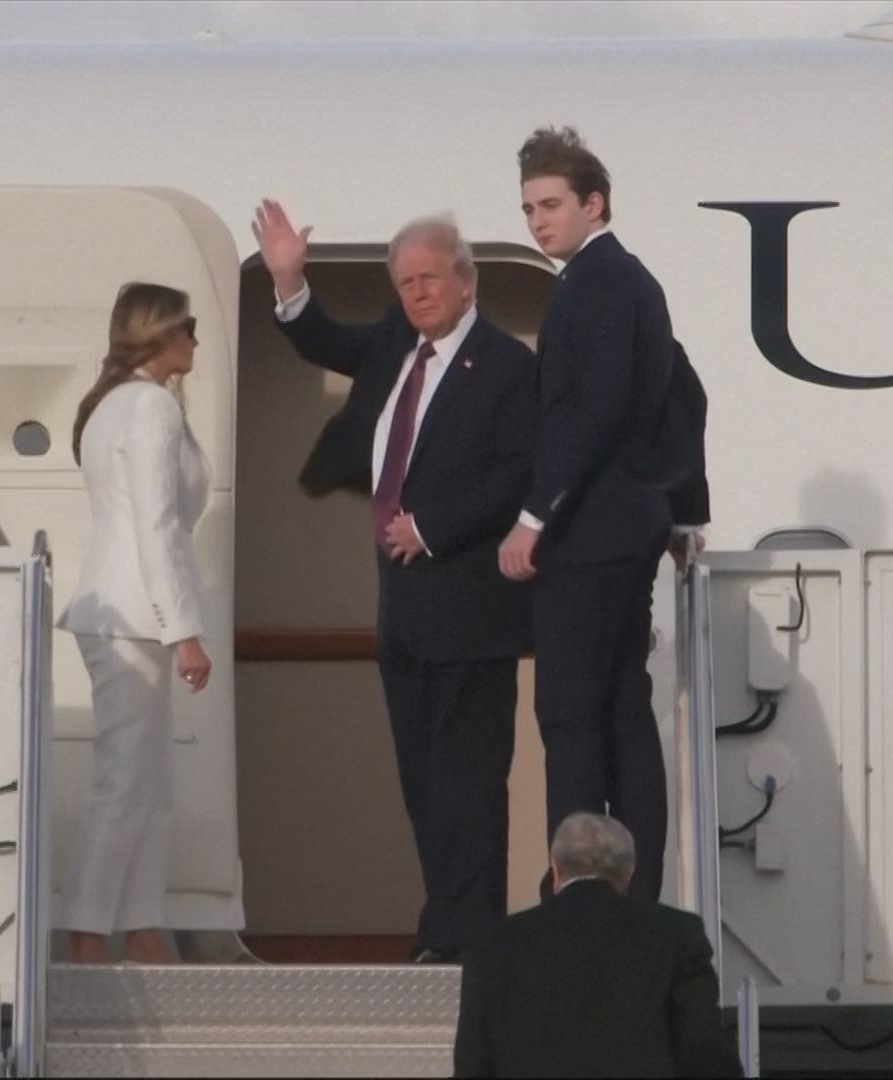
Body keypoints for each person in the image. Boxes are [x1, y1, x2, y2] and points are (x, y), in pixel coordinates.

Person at [253, 200, 537, 962]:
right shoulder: (394, 344)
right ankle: (445, 930)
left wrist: (432, 526)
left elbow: (520, 472)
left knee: (470, 784)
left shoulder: (508, 367)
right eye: (405, 282)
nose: (417, 293)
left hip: (470, 609)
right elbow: (323, 340)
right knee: (424, 786)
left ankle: (469, 940)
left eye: (430, 279)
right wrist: (288, 280)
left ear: (467, 282)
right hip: (403, 613)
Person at [498, 126, 688, 901]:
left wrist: (535, 517)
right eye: (528, 209)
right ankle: (632, 894)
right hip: (626, 530)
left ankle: (579, 894)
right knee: (620, 714)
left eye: (550, 205)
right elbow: (682, 398)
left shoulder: (597, 283)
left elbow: (592, 412)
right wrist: (679, 507)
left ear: (594, 204)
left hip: (590, 537)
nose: (537, 222)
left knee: (572, 716)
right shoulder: (631, 282)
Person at [55, 282, 213, 965]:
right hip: (134, 617)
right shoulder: (149, 407)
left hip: (122, 613)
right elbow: (157, 524)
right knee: (126, 781)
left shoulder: (117, 403)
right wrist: (183, 628)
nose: (196, 340)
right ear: (161, 333)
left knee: (150, 782)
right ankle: (87, 934)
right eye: (189, 327)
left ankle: (142, 925)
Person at [452, 812, 741, 1079]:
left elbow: (472, 1063)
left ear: (555, 869)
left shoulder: (494, 944)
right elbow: (705, 1048)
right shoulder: (676, 933)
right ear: (629, 874)